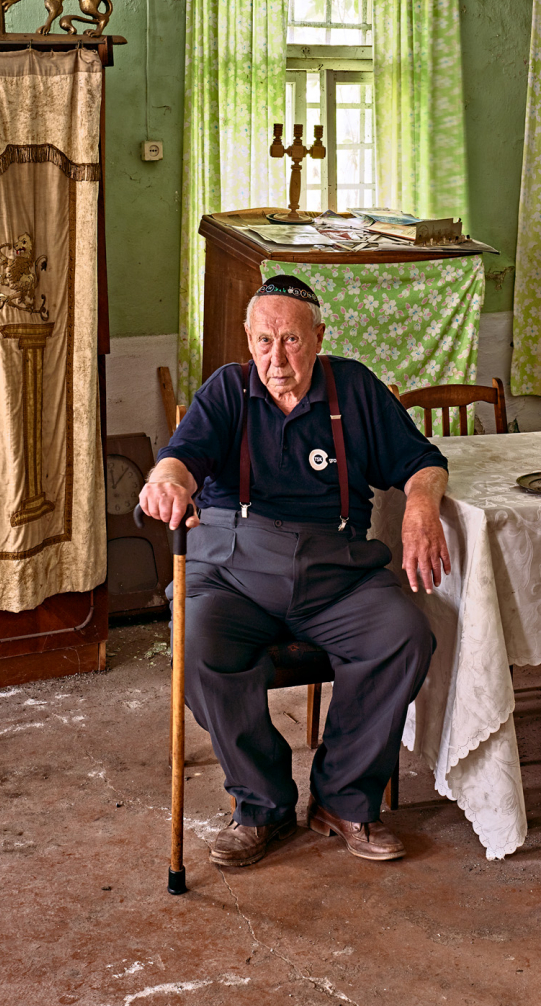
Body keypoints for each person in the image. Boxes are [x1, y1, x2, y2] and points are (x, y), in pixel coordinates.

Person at [138, 274, 451, 868]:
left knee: (403, 635)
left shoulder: (354, 388)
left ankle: (345, 797)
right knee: (198, 641)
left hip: (336, 572)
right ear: (248, 342)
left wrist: (419, 504)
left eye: (290, 341)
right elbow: (180, 457)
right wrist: (169, 480)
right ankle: (261, 805)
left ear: (318, 337)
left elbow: (422, 462)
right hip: (232, 570)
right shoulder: (228, 390)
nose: (276, 359)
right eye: (262, 342)